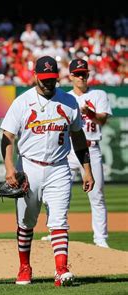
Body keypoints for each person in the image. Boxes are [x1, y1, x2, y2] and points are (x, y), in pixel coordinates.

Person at [0, 56, 94, 287]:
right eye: (44, 79)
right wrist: (10, 168)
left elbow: (79, 138)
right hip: (29, 167)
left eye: (52, 79)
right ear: (35, 76)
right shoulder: (22, 102)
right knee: (26, 222)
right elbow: (7, 137)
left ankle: (61, 270)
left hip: (59, 168)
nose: (48, 83)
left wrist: (87, 170)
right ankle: (24, 267)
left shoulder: (69, 102)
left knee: (59, 221)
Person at [67, 58, 112, 248]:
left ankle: (100, 239)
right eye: (77, 74)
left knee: (97, 195)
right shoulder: (65, 97)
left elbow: (103, 121)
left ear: (88, 75)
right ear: (71, 76)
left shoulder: (98, 94)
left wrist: (91, 114)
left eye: (83, 73)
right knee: (59, 193)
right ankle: (56, 232)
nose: (81, 77)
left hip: (91, 148)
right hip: (68, 151)